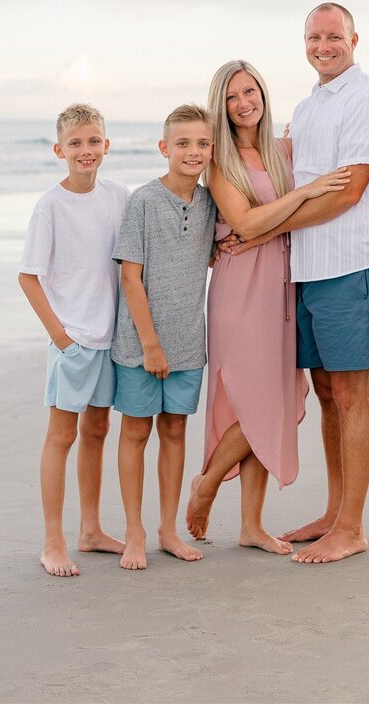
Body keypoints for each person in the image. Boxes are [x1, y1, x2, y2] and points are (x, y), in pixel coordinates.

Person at [229, 4, 369, 563]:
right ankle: (334, 512)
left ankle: (352, 528)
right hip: (307, 268)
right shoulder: (305, 108)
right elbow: (290, 180)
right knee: (327, 393)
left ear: (354, 38)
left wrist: (262, 230)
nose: (323, 46)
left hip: (354, 263)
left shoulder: (367, 100)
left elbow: (348, 193)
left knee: (351, 393)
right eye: (314, 37)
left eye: (333, 36)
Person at [185, 61, 351, 554]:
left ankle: (251, 526)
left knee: (270, 396)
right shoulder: (219, 160)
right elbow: (247, 223)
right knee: (251, 397)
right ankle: (208, 482)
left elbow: (269, 221)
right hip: (241, 287)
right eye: (232, 96)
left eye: (250, 91)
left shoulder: (282, 150)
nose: (243, 103)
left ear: (262, 93)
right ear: (222, 104)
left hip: (283, 282)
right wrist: (303, 194)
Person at [19, 103, 129, 577]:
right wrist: (61, 338)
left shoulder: (120, 196)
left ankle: (90, 529)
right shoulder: (51, 206)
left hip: (111, 338)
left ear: (107, 145)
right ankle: (52, 542)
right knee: (61, 436)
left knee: (98, 432)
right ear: (59, 149)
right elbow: (29, 277)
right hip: (74, 341)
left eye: (94, 141)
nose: (86, 150)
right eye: (76, 143)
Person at [111, 104, 217, 570]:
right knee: (136, 431)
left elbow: (219, 249)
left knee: (175, 431)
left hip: (189, 341)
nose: (193, 152)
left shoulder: (212, 202)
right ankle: (134, 530)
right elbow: (129, 279)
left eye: (202, 143)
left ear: (212, 149)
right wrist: (150, 345)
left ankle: (167, 529)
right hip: (140, 344)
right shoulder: (143, 201)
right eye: (183, 143)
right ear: (164, 148)